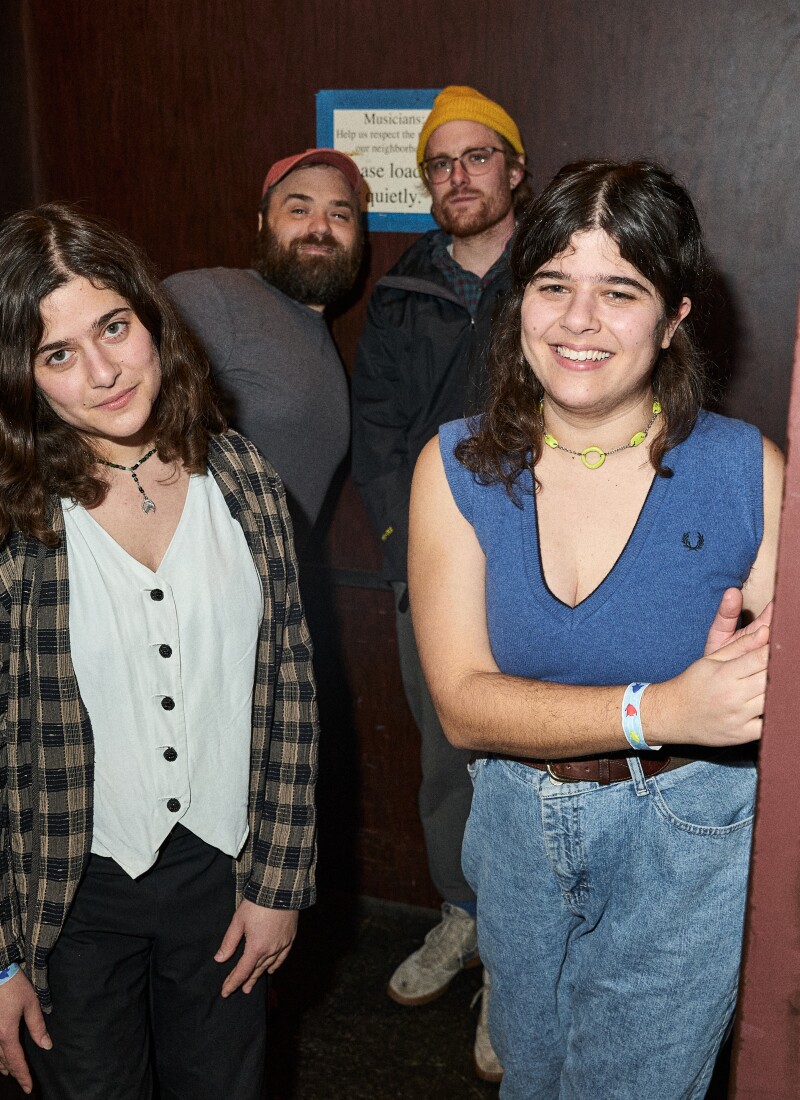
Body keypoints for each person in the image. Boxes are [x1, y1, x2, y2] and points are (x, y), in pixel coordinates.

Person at [0, 203, 319, 1099]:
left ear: (150, 318)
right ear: (18, 376)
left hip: (226, 872)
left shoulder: (243, 479)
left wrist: (281, 880)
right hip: (71, 895)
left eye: (113, 327)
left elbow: (288, 686)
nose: (103, 372)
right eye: (58, 354)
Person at [409, 159, 783, 1099]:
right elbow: (463, 706)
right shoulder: (455, 464)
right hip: (513, 825)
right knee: (532, 1080)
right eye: (552, 286)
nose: (578, 321)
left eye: (620, 291)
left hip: (686, 831)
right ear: (518, 299)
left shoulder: (749, 473)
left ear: (674, 317)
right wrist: (667, 706)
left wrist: (722, 708)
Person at [351, 84, 531, 1080]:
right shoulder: (403, 289)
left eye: (476, 156)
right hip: (434, 570)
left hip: (544, 571)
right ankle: (461, 914)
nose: (457, 177)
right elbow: (375, 430)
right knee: (446, 755)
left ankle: (517, 956)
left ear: (513, 168)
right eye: (438, 163)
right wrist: (399, 544)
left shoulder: (557, 271)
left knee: (535, 766)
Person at [164, 148, 364, 548]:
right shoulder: (214, 296)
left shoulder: (322, 340)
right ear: (262, 223)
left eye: (339, 214)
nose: (321, 227)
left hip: (273, 596)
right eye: (299, 210)